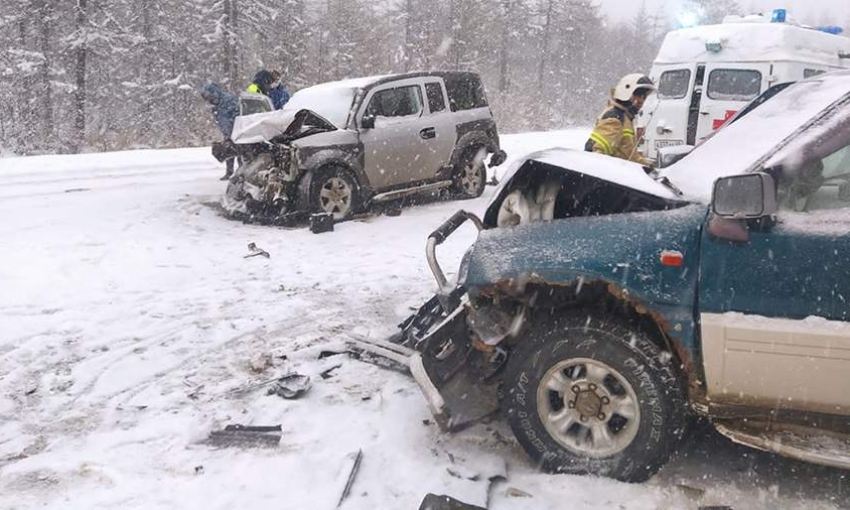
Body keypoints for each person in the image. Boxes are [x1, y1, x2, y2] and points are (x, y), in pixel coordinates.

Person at [585, 74, 656, 167]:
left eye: (644, 96)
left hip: (626, 175)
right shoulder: (615, 118)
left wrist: (650, 166)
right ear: (625, 91)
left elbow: (630, 157)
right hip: (618, 177)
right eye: (638, 94)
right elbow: (596, 152)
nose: (641, 100)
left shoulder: (625, 118)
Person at [201, 83, 240, 180]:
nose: (207, 100)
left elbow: (235, 114)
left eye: (208, 97)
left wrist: (232, 127)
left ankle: (241, 172)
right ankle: (229, 172)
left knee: (239, 151)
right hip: (228, 132)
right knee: (229, 151)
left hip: (236, 130)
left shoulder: (227, 100)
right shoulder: (216, 104)